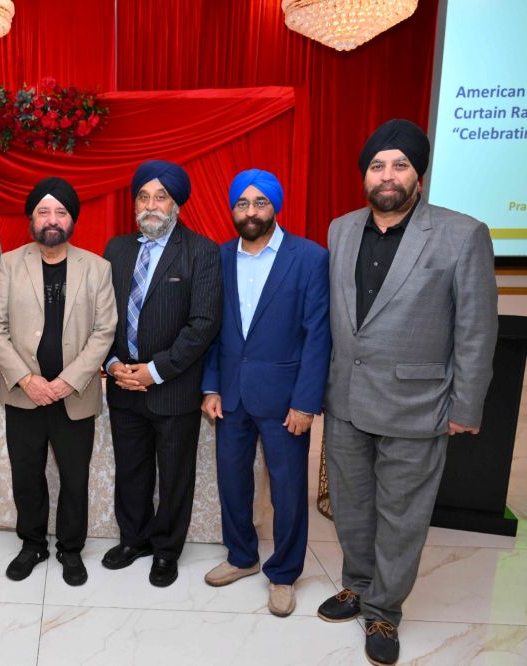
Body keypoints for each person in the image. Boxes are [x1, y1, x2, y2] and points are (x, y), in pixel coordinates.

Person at [319, 119, 498, 666]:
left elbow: (475, 328)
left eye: (400, 165)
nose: (387, 175)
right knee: (351, 506)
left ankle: (384, 610)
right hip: (346, 400)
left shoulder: (462, 233)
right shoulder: (341, 229)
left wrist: (466, 404)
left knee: (402, 515)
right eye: (377, 166)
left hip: (417, 404)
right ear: (364, 175)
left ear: (419, 175)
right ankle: (357, 584)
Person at [200, 169, 330, 617]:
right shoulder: (218, 257)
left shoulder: (310, 258)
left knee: (288, 491)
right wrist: (211, 385)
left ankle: (284, 573)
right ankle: (242, 556)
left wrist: (306, 402)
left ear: (276, 206)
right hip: (231, 396)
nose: (251, 212)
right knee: (232, 482)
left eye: (260, 203)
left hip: (286, 400)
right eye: (242, 203)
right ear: (232, 208)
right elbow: (213, 329)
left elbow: (318, 336)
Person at [0, 177, 117, 585]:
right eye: (43, 212)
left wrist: (67, 381)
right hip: (24, 395)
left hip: (73, 396)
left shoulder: (97, 268)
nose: (52, 219)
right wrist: (27, 379)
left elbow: (104, 332)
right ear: (32, 218)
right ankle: (33, 544)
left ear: (72, 219)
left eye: (60, 212)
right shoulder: (10, 264)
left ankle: (70, 549)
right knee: (26, 474)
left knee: (75, 477)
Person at [101, 160, 222, 587]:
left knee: (174, 475)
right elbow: (102, 316)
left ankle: (167, 549)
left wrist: (154, 371)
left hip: (172, 388)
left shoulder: (202, 252)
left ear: (177, 204)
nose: (151, 205)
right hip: (123, 385)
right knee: (131, 469)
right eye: (143, 197)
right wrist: (112, 363)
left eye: (161, 197)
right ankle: (133, 539)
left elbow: (203, 324)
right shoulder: (116, 249)